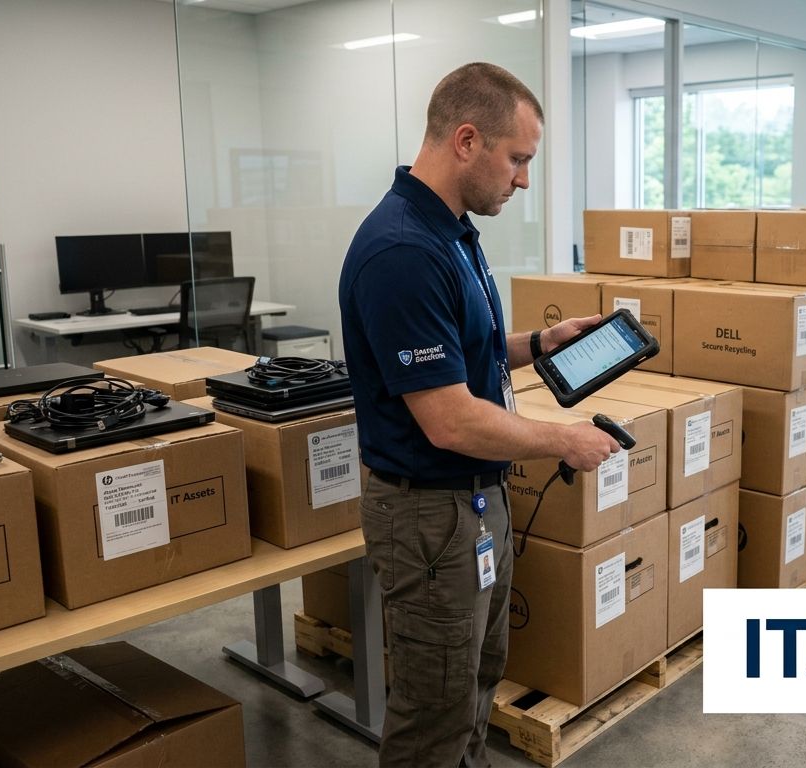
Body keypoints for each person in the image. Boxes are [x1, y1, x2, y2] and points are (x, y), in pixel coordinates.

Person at [338, 63, 620, 767]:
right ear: (467, 140)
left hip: (473, 503)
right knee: (434, 711)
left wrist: (537, 345)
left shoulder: (452, 231)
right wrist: (565, 440)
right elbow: (449, 419)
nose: (523, 179)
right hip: (429, 516)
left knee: (473, 686)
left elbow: (462, 359)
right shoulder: (403, 250)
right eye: (518, 158)